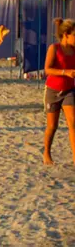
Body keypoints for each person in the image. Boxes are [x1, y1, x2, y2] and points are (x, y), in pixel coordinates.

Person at [43, 19, 75, 165]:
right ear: (66, 35)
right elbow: (47, 69)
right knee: (52, 126)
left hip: (69, 90)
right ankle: (46, 153)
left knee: (73, 123)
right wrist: (65, 72)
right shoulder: (54, 48)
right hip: (53, 91)